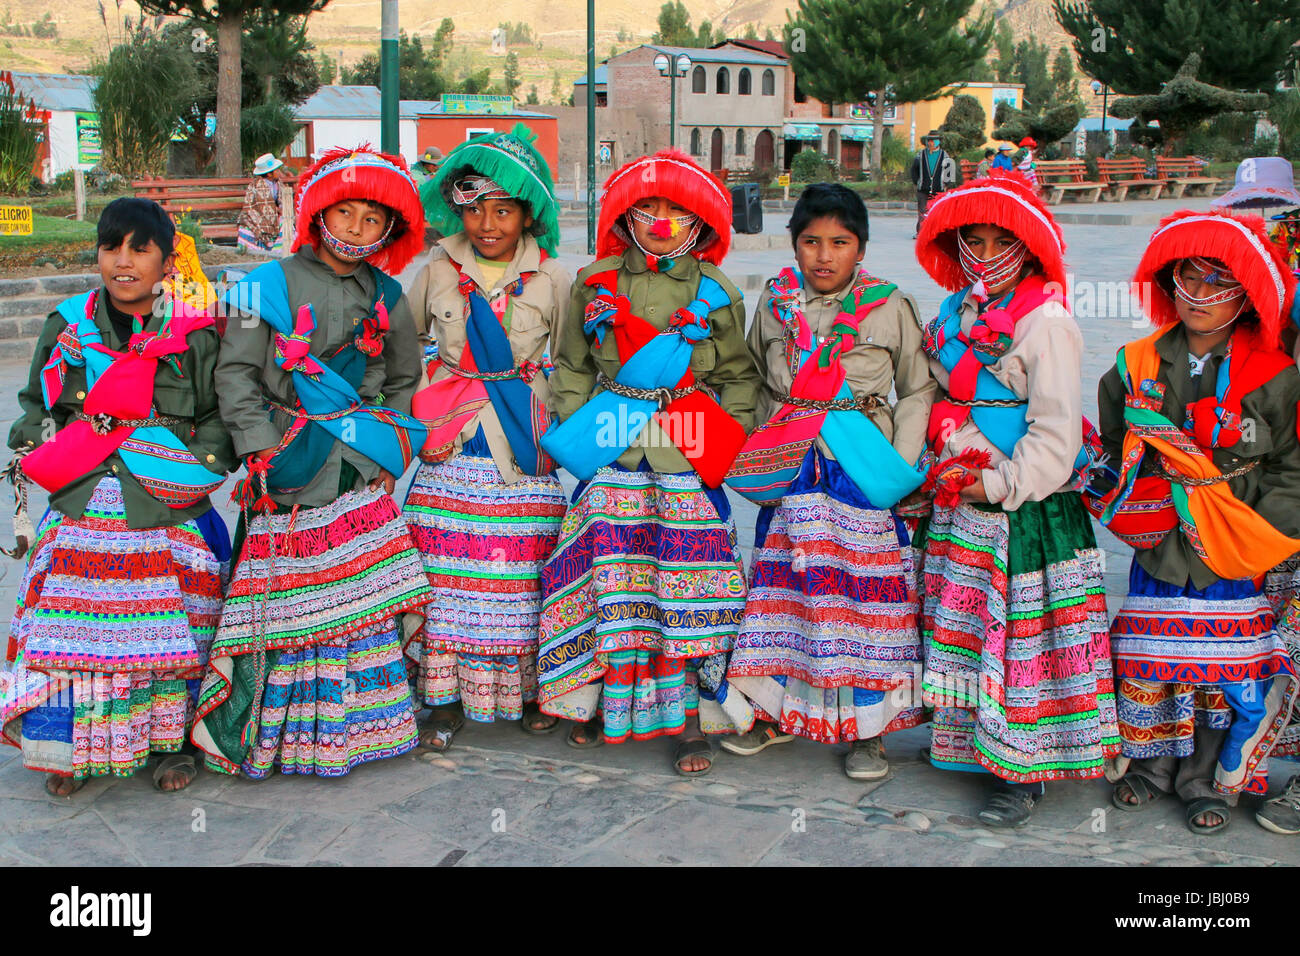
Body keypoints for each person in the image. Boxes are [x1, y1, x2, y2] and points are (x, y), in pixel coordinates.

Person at [191, 146, 435, 779]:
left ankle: (350, 731)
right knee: (285, 603)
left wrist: (391, 448)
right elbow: (236, 374)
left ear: (390, 230)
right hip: (285, 461)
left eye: (372, 219)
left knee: (355, 598)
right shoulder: (262, 287)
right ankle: (269, 731)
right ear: (318, 211)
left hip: (357, 464)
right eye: (345, 212)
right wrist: (258, 447)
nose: (357, 228)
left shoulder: (387, 294)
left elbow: (406, 376)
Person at [536, 149, 762, 776]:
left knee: (688, 586)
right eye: (648, 206)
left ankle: (691, 722)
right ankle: (605, 704)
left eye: (676, 209)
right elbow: (574, 365)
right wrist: (578, 437)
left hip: (685, 440)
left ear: (700, 221)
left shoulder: (715, 291)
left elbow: (741, 375)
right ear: (627, 214)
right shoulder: (597, 280)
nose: (661, 219)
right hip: (611, 439)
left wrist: (732, 435)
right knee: (607, 582)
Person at [0, 197, 234, 796]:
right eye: (111, 247)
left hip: (168, 497)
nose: (123, 262)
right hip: (84, 496)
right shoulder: (68, 324)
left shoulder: (196, 332)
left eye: (140, 248)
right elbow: (36, 408)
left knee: (181, 613)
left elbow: (216, 418)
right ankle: (70, 750)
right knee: (63, 613)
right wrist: (47, 453)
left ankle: (171, 747)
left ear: (166, 261)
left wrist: (195, 472)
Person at [916, 172, 1118, 827]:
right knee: (970, 630)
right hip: (958, 501)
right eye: (972, 239)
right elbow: (939, 394)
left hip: (1020, 512)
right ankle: (969, 747)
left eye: (1001, 240)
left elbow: (1056, 432)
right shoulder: (954, 313)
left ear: (1028, 246)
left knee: (1017, 643)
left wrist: (998, 484)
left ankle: (1020, 771)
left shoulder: (1047, 323)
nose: (985, 253)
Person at [1091, 210, 1300, 834]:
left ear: (1248, 293)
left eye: (1218, 282)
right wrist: (1135, 497)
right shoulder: (1134, 365)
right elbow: (1113, 451)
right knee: (1152, 658)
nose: (1198, 296)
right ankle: (1151, 766)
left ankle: (1202, 777)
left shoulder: (1277, 376)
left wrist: (1254, 535)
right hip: (1160, 545)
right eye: (1187, 278)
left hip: (1234, 549)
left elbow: (1291, 466)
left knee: (1222, 670)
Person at [721, 183, 936, 778]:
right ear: (794, 246)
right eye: (811, 241)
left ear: (860, 248)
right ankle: (779, 714)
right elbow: (760, 380)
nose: (823, 255)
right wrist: (761, 443)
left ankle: (869, 731)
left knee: (863, 601)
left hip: (861, 464)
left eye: (839, 242)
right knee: (786, 591)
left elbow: (918, 388)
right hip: (794, 468)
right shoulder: (775, 301)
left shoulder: (889, 305)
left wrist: (901, 462)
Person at [402, 125, 571, 750]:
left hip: (520, 444)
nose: (488, 223)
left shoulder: (555, 279)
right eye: (474, 209)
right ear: (458, 208)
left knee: (521, 573)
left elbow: (575, 363)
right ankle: (444, 699)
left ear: (529, 212)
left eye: (503, 209)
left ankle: (527, 690)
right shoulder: (437, 271)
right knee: (445, 574)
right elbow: (398, 344)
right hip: (451, 442)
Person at [908, 130, 960, 239]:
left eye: (933, 141)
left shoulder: (945, 155)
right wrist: (917, 182)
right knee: (922, 212)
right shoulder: (921, 154)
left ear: (938, 142)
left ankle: (935, 233)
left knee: (937, 212)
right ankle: (920, 233)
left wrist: (946, 184)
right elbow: (914, 170)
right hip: (923, 189)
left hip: (939, 189)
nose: (930, 143)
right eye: (929, 141)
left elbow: (950, 171)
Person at [237, 153, 289, 257]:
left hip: (276, 215)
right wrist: (276, 210)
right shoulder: (256, 185)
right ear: (269, 174)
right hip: (258, 215)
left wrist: (282, 209)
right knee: (247, 229)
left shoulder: (279, 184)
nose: (279, 172)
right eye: (277, 170)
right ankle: (257, 251)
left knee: (286, 223)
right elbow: (253, 206)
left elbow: (281, 200)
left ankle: (280, 251)